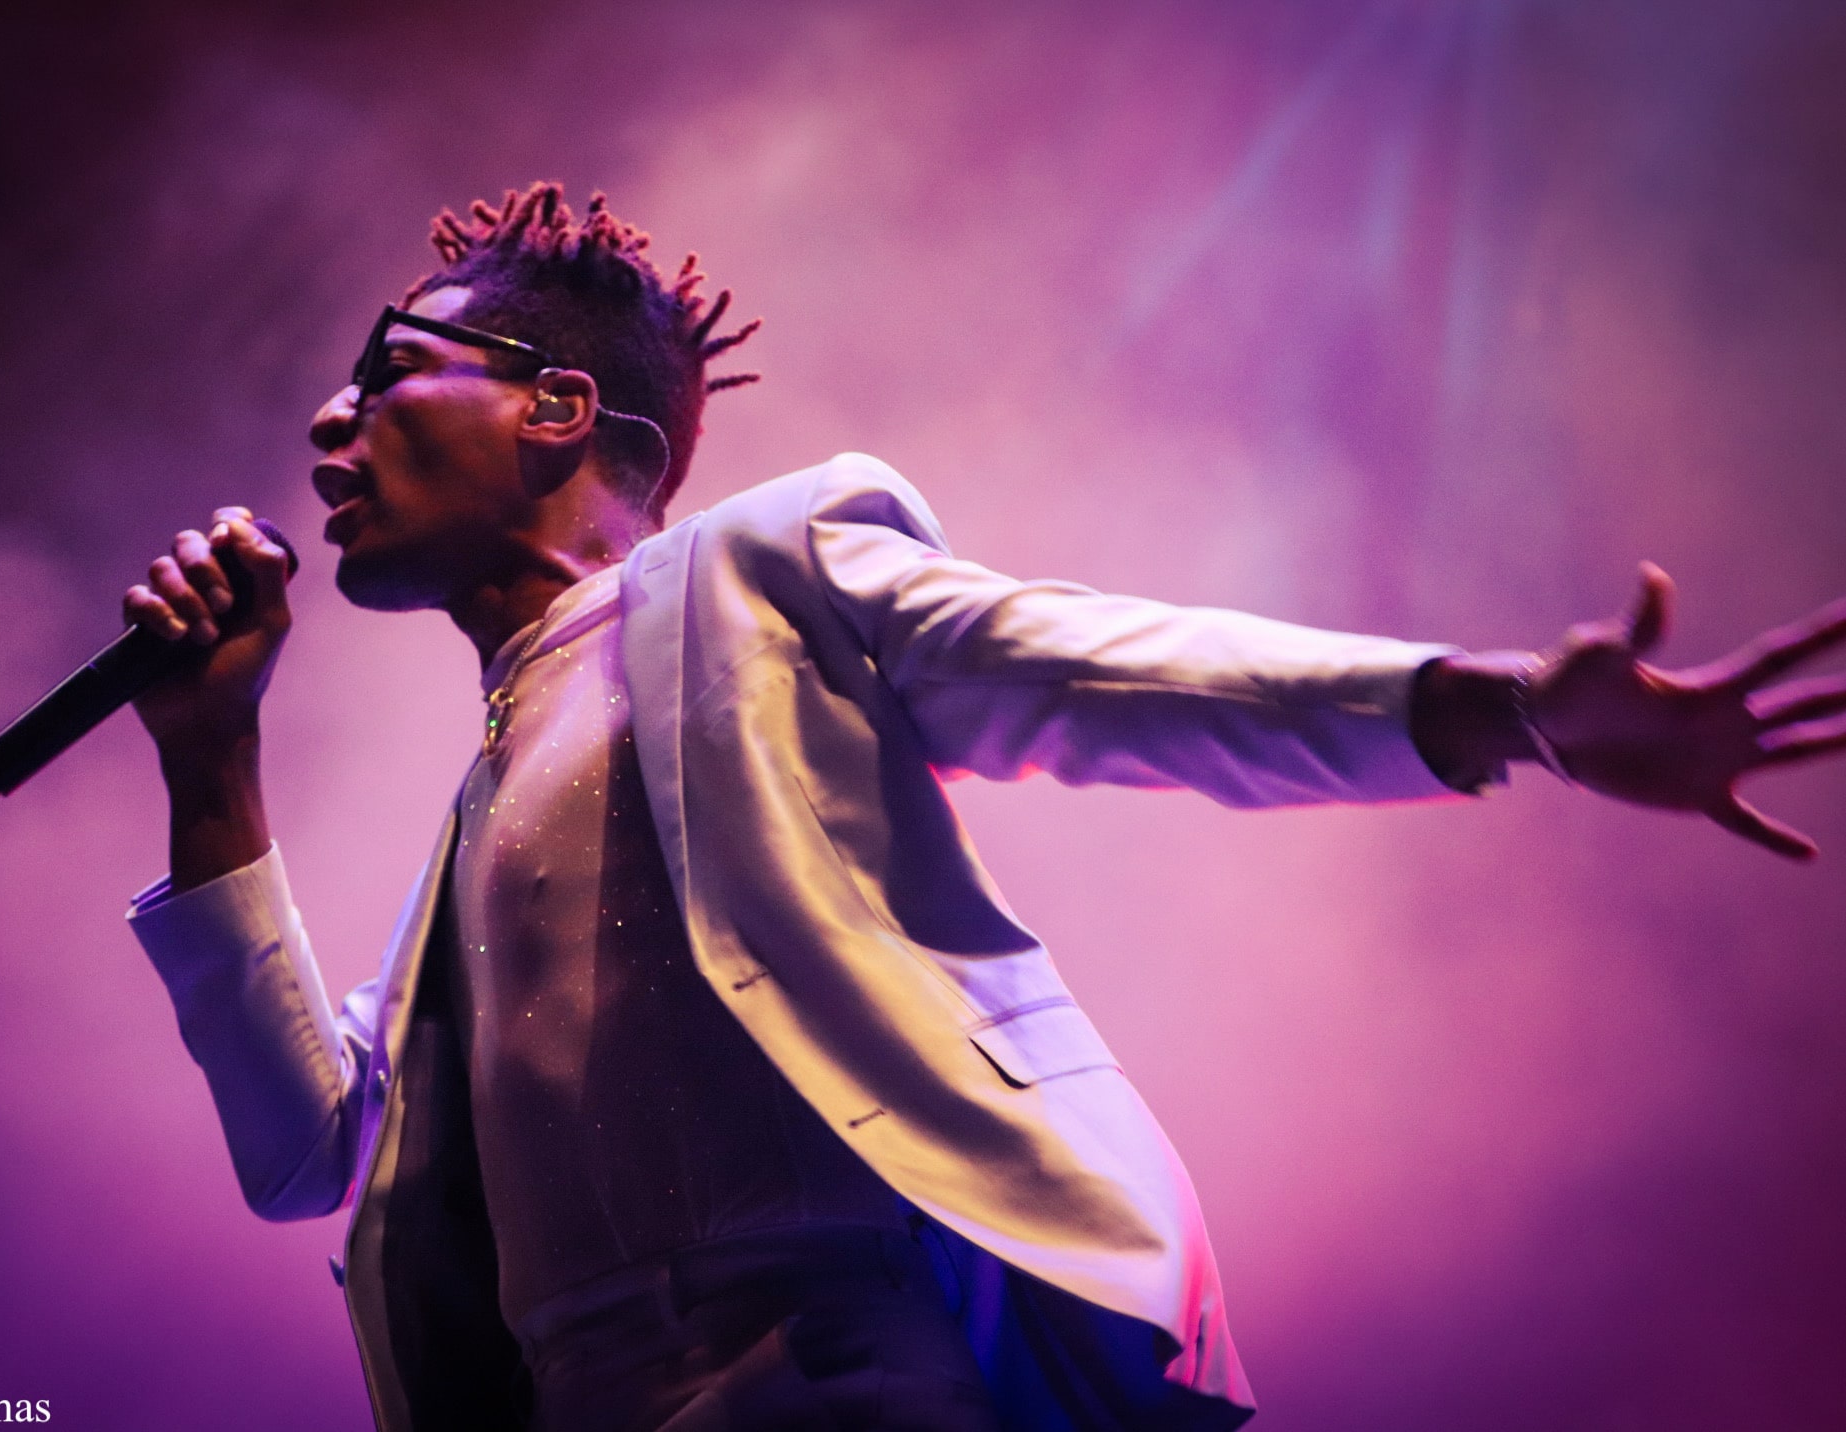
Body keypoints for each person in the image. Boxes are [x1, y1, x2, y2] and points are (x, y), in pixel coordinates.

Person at [119, 183, 1846, 1432]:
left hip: (818, 1363)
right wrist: (210, 757)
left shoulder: (755, 578)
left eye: (388, 366)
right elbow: (302, 1151)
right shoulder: (478, 810)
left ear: (558, 408)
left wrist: (1504, 708)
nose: (329, 416)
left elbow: (1097, 671)